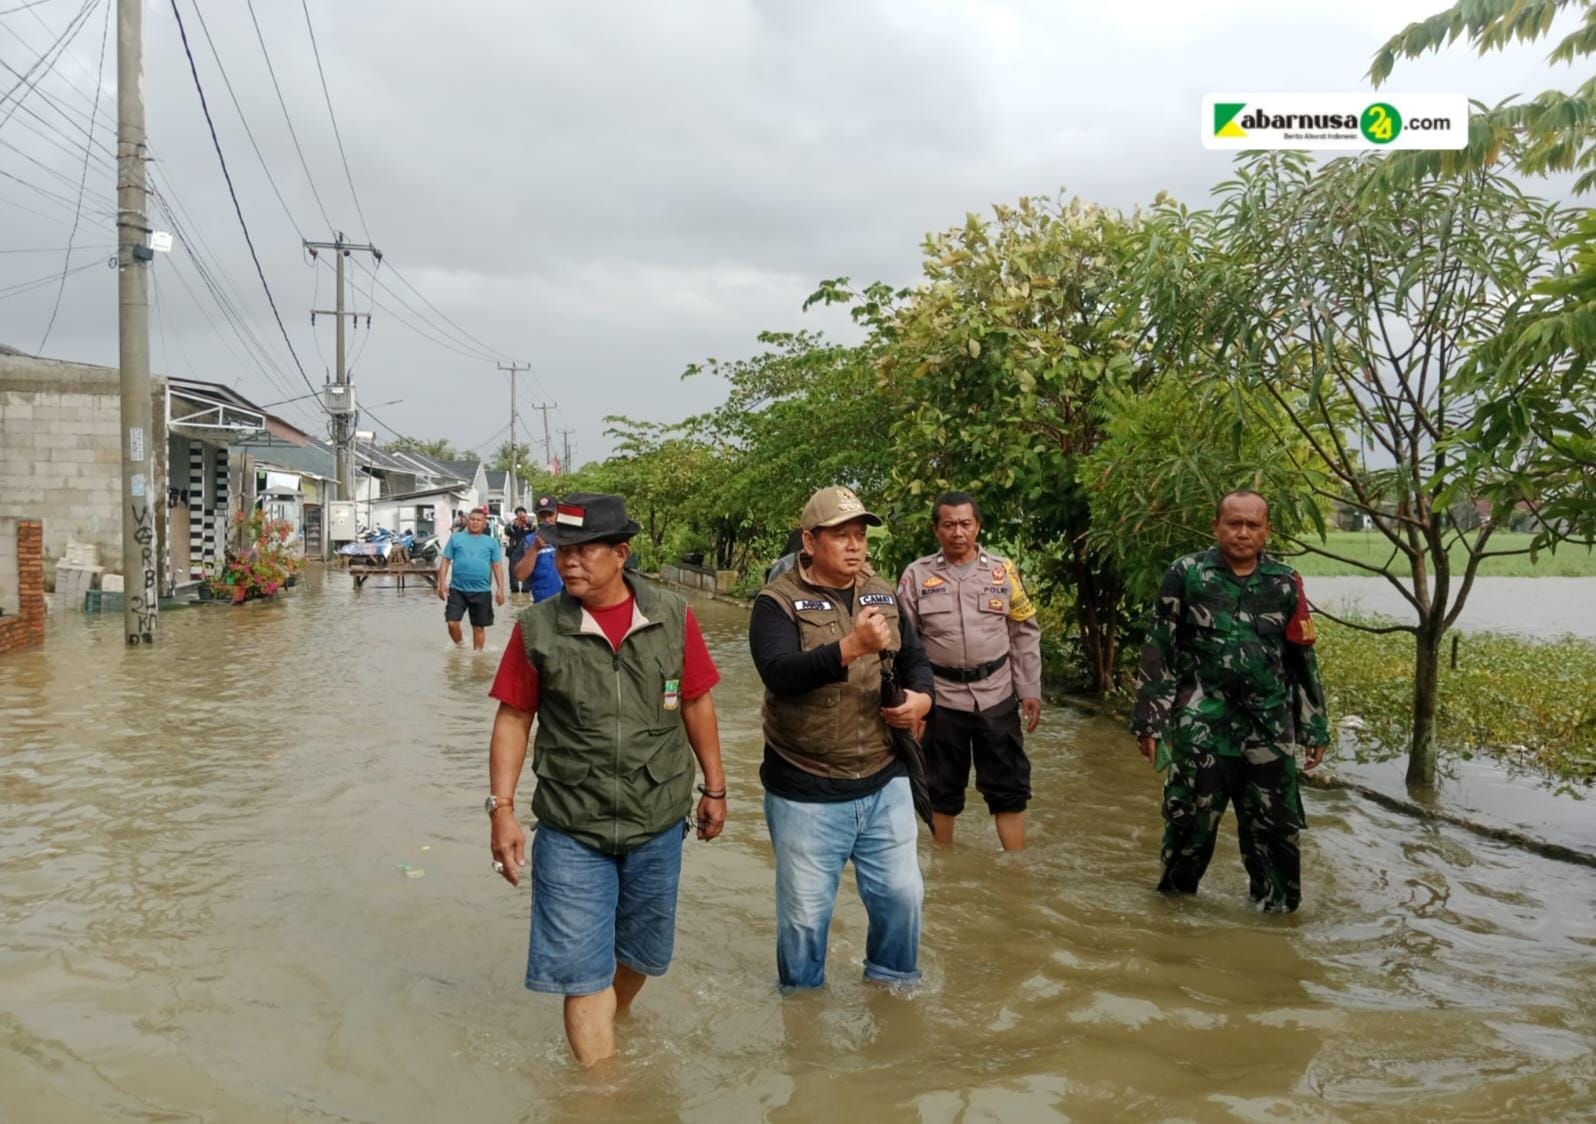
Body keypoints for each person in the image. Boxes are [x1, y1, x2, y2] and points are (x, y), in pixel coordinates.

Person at [486, 492, 727, 1066]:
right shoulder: (538, 628)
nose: (568, 561)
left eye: (584, 550)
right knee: (581, 972)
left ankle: (612, 1018)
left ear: (620, 553)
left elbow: (696, 702)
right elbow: (514, 718)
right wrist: (502, 808)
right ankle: (603, 1093)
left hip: (658, 815)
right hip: (573, 824)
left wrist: (715, 788)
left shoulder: (673, 616)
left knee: (641, 956)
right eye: (561, 549)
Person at [750, 485, 933, 990]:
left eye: (860, 535)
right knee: (805, 919)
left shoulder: (881, 591)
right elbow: (779, 672)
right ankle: (803, 1013)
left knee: (903, 897)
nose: (855, 546)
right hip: (806, 787)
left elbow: (915, 658)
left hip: (883, 776)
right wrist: (850, 646)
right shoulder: (776, 602)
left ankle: (893, 993)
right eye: (841, 536)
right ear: (810, 541)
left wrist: (922, 699)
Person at [1132, 488, 1330, 913]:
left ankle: (1276, 924)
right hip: (1201, 727)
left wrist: (1314, 726)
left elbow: (1301, 657)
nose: (1243, 533)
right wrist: (1149, 718)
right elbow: (1159, 647)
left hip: (1269, 731)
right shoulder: (1186, 574)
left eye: (1252, 525)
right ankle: (1172, 924)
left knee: (1276, 834)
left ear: (1267, 531)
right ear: (1216, 527)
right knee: (1188, 829)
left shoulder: (1285, 582)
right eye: (1234, 524)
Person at [896, 492, 1042, 851]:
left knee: (1008, 789)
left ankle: (1015, 870)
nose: (957, 532)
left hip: (997, 694)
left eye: (965, 524)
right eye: (949, 525)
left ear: (977, 526)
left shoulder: (1002, 571)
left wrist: (1030, 689)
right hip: (941, 697)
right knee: (940, 788)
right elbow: (902, 645)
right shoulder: (916, 576)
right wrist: (911, 701)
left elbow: (1024, 631)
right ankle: (943, 866)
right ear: (936, 530)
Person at [437, 507, 506, 650]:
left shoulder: (491, 542)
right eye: (473, 519)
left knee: (478, 627)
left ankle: (477, 658)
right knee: (452, 622)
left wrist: (500, 589)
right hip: (457, 589)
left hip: (481, 590)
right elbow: (445, 561)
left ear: (484, 524)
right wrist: (441, 584)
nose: (475, 522)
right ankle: (461, 645)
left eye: (479, 520)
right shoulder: (456, 538)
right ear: (467, 521)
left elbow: (497, 566)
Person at [511, 495, 563, 602]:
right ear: (537, 517)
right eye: (542, 516)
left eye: (550, 515)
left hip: (570, 605)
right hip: (543, 606)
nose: (547, 519)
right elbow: (520, 575)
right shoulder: (528, 541)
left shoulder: (571, 538)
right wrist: (535, 549)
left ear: (558, 514)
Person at [504, 506, 538, 594]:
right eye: (518, 513)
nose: (520, 515)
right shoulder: (512, 524)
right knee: (513, 572)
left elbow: (534, 531)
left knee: (527, 572)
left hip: (526, 551)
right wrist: (515, 525)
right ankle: (514, 589)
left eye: (522, 513)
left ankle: (526, 589)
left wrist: (527, 523)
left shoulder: (529, 524)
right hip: (514, 551)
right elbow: (507, 532)